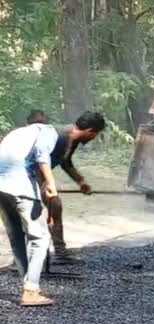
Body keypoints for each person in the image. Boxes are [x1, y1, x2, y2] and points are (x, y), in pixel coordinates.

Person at [28, 110, 104, 264]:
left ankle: (61, 254)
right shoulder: (59, 136)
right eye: (95, 134)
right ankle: (24, 259)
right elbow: (39, 161)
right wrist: (47, 185)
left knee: (55, 206)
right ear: (90, 131)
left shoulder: (73, 139)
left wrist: (81, 181)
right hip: (24, 174)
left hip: (38, 175)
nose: (94, 138)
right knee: (32, 211)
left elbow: (65, 162)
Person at [0, 121, 59, 306]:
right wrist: (50, 184)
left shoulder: (16, 133)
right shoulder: (49, 131)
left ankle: (27, 283)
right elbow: (42, 155)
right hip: (20, 186)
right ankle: (31, 291)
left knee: (16, 236)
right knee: (39, 238)